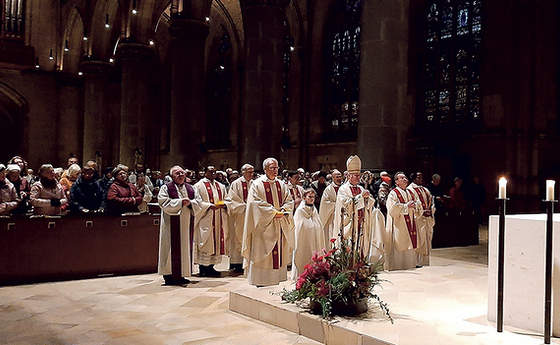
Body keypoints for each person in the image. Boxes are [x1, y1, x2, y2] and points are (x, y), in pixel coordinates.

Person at [242, 157, 295, 286]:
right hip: (263, 226)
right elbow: (255, 203)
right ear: (265, 169)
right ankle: (261, 280)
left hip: (279, 223)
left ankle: (276, 279)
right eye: (271, 168)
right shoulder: (257, 184)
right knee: (262, 253)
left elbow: (289, 200)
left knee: (278, 253)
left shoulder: (281, 184)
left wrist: (283, 210)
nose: (275, 170)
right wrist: (273, 213)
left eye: (276, 168)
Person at [333, 155, 385, 264]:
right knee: (349, 248)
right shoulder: (343, 189)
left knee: (361, 247)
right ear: (349, 176)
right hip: (349, 225)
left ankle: (360, 268)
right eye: (355, 175)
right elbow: (346, 205)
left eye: (358, 175)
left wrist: (367, 199)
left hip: (361, 224)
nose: (358, 178)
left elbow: (370, 203)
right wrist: (361, 197)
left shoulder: (361, 188)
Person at [158, 165, 201, 286]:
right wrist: (180, 202)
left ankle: (181, 274)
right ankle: (168, 275)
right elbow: (163, 202)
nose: (181, 175)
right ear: (172, 176)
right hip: (170, 225)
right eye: (177, 173)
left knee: (184, 248)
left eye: (182, 173)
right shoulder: (166, 188)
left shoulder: (191, 188)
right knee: (170, 248)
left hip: (186, 223)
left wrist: (190, 203)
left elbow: (198, 202)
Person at [193, 165, 230, 277]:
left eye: (214, 172)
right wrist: (208, 206)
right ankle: (203, 267)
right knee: (205, 241)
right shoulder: (198, 186)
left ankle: (211, 267)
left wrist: (225, 204)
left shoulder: (221, 186)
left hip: (218, 218)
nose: (213, 174)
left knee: (215, 242)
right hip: (205, 217)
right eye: (210, 172)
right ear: (205, 173)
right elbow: (196, 202)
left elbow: (227, 199)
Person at [385, 171, 421, 271]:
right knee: (400, 243)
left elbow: (418, 204)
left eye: (405, 177)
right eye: (401, 178)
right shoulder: (393, 193)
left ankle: (410, 266)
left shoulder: (411, 192)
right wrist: (406, 206)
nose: (405, 179)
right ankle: (397, 267)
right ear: (396, 182)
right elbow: (392, 209)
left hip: (411, 223)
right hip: (399, 224)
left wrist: (416, 206)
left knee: (409, 244)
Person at [226, 163, 254, 274]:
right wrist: (245, 206)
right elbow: (231, 200)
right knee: (238, 237)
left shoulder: (254, 184)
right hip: (240, 215)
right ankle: (237, 263)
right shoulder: (236, 184)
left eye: (252, 171)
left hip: (251, 216)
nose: (251, 174)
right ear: (243, 172)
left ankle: (248, 261)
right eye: (249, 171)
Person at [291, 189, 324, 280]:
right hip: (304, 239)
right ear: (304, 197)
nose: (312, 199)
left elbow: (317, 222)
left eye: (313, 197)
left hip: (314, 237)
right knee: (304, 255)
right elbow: (298, 226)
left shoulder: (314, 209)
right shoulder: (300, 210)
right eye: (309, 197)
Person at [407, 172, 435, 267]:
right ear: (413, 179)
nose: (421, 179)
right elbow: (412, 204)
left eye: (422, 177)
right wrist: (422, 212)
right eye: (418, 177)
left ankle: (425, 262)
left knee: (427, 239)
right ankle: (416, 262)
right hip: (418, 219)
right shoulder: (410, 190)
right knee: (419, 239)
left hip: (426, 219)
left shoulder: (425, 190)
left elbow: (431, 202)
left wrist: (430, 211)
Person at [318, 169, 343, 247]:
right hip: (331, 217)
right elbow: (325, 204)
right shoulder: (328, 190)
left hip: (343, 217)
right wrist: (337, 205)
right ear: (332, 177)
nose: (339, 178)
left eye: (340, 176)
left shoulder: (344, 188)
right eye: (337, 176)